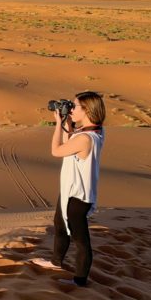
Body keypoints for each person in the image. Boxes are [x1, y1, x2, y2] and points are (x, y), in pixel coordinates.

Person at [31, 91, 106, 287]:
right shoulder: (93, 131)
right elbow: (68, 143)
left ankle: (80, 281)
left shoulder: (85, 138)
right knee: (60, 224)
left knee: (81, 241)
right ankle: (56, 262)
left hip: (78, 196)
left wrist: (58, 123)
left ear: (87, 110)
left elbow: (56, 150)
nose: (71, 109)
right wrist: (67, 121)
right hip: (70, 191)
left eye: (75, 106)